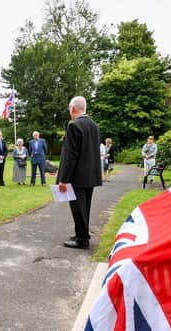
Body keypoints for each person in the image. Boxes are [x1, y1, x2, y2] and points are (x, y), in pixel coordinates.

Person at [57, 96, 102, 249]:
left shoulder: (74, 126)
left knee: (78, 208)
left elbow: (71, 156)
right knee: (85, 207)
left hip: (77, 176)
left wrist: (63, 179)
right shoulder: (94, 126)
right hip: (91, 175)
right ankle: (80, 233)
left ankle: (82, 239)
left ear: (73, 109)